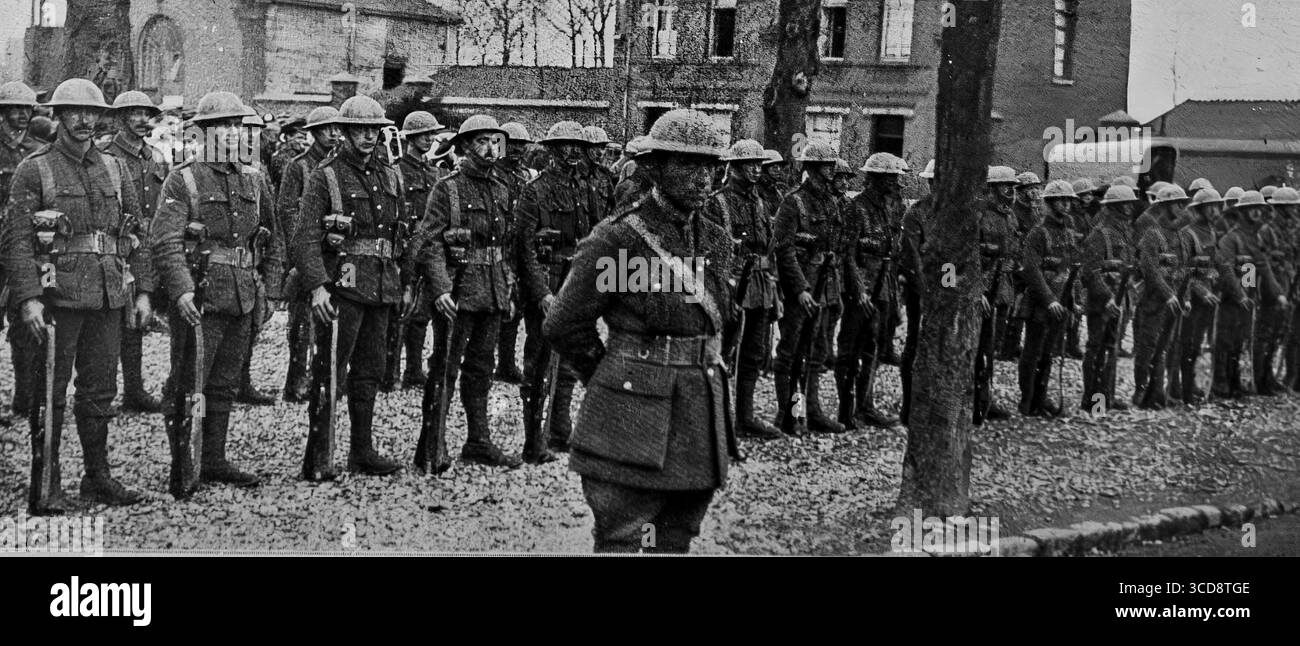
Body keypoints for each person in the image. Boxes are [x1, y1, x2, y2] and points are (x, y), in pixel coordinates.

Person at [541, 108, 739, 553]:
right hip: (632, 416)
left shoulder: (716, 241)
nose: (703, 178)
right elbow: (564, 324)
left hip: (696, 413)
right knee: (625, 536)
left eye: (710, 166)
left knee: (675, 536)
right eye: (688, 165)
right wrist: (612, 378)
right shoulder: (618, 240)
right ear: (655, 168)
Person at [3, 78, 154, 514]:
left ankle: (97, 476)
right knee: (50, 391)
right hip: (58, 298)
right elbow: (15, 240)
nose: (86, 121)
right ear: (58, 116)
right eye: (75, 113)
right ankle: (46, 482)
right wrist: (28, 298)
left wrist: (142, 291)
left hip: (108, 295)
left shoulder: (114, 168)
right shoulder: (36, 168)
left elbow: (134, 231)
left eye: (93, 114)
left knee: (100, 391)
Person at [150, 91, 281, 498]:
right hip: (201, 298)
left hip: (242, 294)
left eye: (237, 125)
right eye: (221, 125)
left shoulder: (255, 178)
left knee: (224, 382)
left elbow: (273, 241)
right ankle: (186, 460)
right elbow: (165, 241)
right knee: (192, 383)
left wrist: (271, 291)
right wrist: (182, 291)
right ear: (203, 131)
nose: (231, 132)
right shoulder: (184, 178)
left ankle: (214, 458)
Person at [293, 95, 406, 480]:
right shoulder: (325, 175)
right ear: (343, 132)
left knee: (370, 371)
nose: (369, 137)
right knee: (330, 371)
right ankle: (319, 456)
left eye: (375, 130)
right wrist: (319, 288)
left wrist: (402, 282)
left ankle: (362, 451)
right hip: (344, 282)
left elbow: (399, 235)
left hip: (381, 284)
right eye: (361, 130)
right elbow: (305, 238)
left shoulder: (390, 175)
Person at [407, 114, 522, 469]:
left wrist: (509, 286)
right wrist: (440, 288)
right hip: (458, 292)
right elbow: (429, 242)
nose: (490, 149)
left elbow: (506, 244)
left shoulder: (502, 189)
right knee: (445, 368)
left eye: (495, 141)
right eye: (482, 141)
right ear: (466, 147)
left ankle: (478, 442)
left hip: (491, 291)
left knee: (482, 368)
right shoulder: (447, 188)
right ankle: (431, 448)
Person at [515, 120, 598, 461]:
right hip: (548, 283)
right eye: (566, 145)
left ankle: (560, 430)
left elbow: (595, 238)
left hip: (576, 283)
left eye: (578, 146)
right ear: (551, 150)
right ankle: (534, 438)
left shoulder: (586, 189)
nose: (574, 152)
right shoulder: (534, 191)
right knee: (539, 362)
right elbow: (524, 249)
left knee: (569, 361)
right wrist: (541, 294)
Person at [772, 142, 851, 435]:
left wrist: (836, 291)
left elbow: (836, 249)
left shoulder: (831, 203)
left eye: (832, 167)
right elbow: (784, 249)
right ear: (812, 170)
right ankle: (788, 414)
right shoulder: (794, 202)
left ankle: (811, 410)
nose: (831, 172)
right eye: (826, 167)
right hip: (800, 288)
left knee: (816, 352)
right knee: (790, 351)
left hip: (825, 285)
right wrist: (801, 289)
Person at [705, 139, 782, 439]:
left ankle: (745, 417)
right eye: (748, 164)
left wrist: (774, 287)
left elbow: (769, 247)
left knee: (753, 352)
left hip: (760, 283)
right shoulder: (717, 202)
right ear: (733, 167)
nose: (755, 170)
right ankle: (718, 420)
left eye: (758, 164)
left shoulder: (760, 202)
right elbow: (710, 252)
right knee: (724, 353)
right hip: (732, 283)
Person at [104, 90, 169, 413]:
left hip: (149, 242)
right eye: (136, 113)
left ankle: (134, 389)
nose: (144, 120)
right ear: (119, 118)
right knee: (108, 317)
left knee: (137, 316)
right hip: (118, 242)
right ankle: (101, 390)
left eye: (147, 113)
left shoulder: (156, 157)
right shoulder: (106, 155)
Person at [836, 152, 905, 429]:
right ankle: (846, 410)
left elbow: (893, 253)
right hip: (861, 290)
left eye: (895, 178)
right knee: (849, 349)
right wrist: (859, 291)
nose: (895, 183)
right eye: (889, 178)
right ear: (875, 179)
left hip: (883, 288)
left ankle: (866, 405)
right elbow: (848, 253)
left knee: (872, 348)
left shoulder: (888, 209)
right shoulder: (856, 208)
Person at [277, 106, 341, 402]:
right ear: (314, 133)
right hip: (307, 253)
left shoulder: (339, 166)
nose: (333, 134)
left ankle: (323, 379)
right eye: (326, 129)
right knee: (301, 323)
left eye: (336, 128)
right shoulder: (299, 166)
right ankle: (296, 381)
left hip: (335, 254)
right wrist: (300, 252)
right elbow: (287, 211)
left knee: (332, 319)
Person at [381, 110, 447, 393]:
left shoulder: (436, 172)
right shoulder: (395, 171)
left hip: (430, 246)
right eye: (423, 135)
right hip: (404, 246)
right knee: (398, 311)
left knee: (422, 313)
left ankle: (414, 370)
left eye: (431, 134)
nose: (429, 139)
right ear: (409, 137)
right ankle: (390, 372)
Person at [1015, 180, 1082, 417]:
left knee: (1049, 351)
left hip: (1062, 298)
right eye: (1061, 200)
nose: (1066, 205)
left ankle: (1041, 399)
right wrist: (1049, 299)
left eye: (1068, 200)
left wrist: (1073, 301)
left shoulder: (1069, 232)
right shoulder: (1038, 232)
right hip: (1041, 301)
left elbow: (1072, 268)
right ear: (1051, 203)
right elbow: (1031, 269)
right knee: (1033, 350)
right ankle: (1028, 401)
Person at [1, 80, 45, 427]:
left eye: (26, 109)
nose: (20, 115)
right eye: (14, 109)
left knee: (22, 321)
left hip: (21, 249)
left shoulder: (37, 150)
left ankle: (25, 395)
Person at [1080, 185, 1139, 413]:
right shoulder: (1099, 233)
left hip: (1120, 298)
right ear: (1113, 207)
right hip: (1102, 301)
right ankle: (1092, 401)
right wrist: (1107, 298)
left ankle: (1107, 396)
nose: (1129, 208)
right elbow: (1090, 271)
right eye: (1125, 204)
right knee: (1096, 349)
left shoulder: (1125, 232)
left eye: (1130, 203)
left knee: (1111, 349)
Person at [1132, 185, 1192, 408]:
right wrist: (1168, 294)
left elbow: (1183, 272)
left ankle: (1158, 394)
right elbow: (1150, 269)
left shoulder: (1181, 236)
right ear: (1165, 206)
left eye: (1182, 203)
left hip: (1174, 301)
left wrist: (1184, 298)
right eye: (1177, 203)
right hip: (1154, 300)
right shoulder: (1151, 235)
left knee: (1166, 347)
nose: (1181, 208)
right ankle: (1141, 391)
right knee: (1148, 347)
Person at [1214, 191, 1275, 398]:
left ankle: (1236, 382)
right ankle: (1221, 384)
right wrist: (1239, 294)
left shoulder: (1255, 239)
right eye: (1252, 209)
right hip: (1230, 299)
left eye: (1259, 209)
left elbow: (1257, 267)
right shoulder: (1231, 239)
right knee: (1225, 341)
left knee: (1241, 342)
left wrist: (1251, 293)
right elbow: (1227, 270)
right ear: (1242, 212)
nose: (1257, 213)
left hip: (1247, 299)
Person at [973, 166, 1020, 424]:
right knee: (977, 349)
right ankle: (974, 402)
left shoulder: (1010, 217)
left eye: (1012, 186)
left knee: (991, 349)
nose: (1010, 191)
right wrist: (977, 291)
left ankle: (985, 400)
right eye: (1004, 186)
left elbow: (1012, 254)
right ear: (991, 189)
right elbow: (969, 257)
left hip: (1001, 290)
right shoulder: (978, 215)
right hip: (981, 293)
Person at [1175, 188, 1225, 404]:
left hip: (1209, 298)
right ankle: (1184, 391)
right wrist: (1200, 290)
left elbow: (1218, 265)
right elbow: (1182, 270)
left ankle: (1192, 386)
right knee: (1188, 345)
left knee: (1198, 346)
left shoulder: (1212, 233)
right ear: (1201, 209)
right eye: (1211, 207)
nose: (1215, 211)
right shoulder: (1188, 234)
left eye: (1217, 206)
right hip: (1192, 298)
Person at [492, 121, 533, 385]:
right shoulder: (492, 174)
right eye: (512, 144)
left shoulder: (526, 177)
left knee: (515, 309)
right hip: (494, 247)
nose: (517, 149)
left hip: (517, 247)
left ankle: (506, 363)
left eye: (521, 145)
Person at [898, 159, 935, 426]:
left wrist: (946, 287)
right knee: (915, 342)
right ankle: (909, 406)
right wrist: (926, 292)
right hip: (919, 290)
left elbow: (953, 256)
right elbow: (911, 257)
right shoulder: (916, 214)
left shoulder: (954, 215)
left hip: (943, 292)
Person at [1257, 187, 1298, 395]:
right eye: (1289, 208)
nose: (1292, 213)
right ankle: (1262, 381)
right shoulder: (1266, 231)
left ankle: (1273, 378)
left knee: (1279, 335)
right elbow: (1259, 264)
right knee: (1265, 336)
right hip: (1270, 290)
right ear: (1279, 209)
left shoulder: (1295, 230)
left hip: (1289, 287)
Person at [580, 125, 616, 221]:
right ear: (583, 148)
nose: (600, 152)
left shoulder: (604, 175)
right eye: (595, 147)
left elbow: (613, 206)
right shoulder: (573, 176)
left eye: (603, 147)